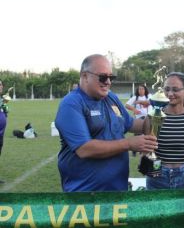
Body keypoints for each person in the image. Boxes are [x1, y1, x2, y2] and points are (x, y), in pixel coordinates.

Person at [55, 54, 157, 192]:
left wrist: (156, 118)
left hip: (118, 191)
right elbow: (84, 149)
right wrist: (129, 143)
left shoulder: (111, 97)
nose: (108, 82)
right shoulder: (71, 104)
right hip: (85, 195)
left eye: (111, 77)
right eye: (103, 77)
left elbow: (130, 124)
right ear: (85, 76)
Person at [145, 72, 184, 190]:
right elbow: (146, 149)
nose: (170, 94)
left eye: (175, 89)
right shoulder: (154, 117)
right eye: (167, 89)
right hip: (157, 178)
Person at [125, 84, 152, 157]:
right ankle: (134, 151)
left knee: (147, 135)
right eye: (139, 89)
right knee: (137, 135)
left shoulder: (149, 96)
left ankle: (144, 151)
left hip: (148, 118)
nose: (141, 90)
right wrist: (134, 109)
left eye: (142, 89)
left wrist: (141, 102)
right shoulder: (135, 97)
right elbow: (127, 105)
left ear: (145, 90)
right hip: (139, 118)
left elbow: (152, 102)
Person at [0, 80, 8, 184]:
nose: (1, 86)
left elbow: (5, 111)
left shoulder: (2, 99)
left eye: (1, 84)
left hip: (1, 133)